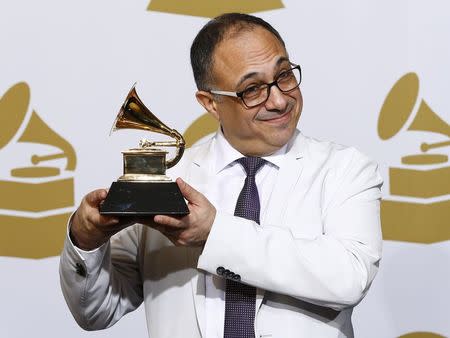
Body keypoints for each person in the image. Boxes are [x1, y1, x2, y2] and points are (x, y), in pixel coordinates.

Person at [60, 13, 383, 338]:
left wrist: (214, 233)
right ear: (211, 103)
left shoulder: (345, 169)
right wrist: (85, 239)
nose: (280, 99)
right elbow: (96, 312)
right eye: (252, 89)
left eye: (284, 75)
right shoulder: (171, 179)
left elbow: (349, 278)